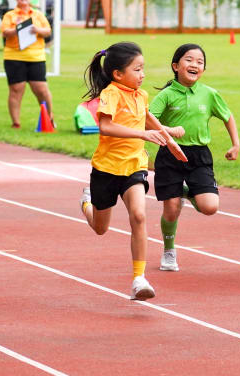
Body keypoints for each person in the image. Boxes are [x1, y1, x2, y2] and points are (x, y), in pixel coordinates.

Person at [79, 42, 187, 300]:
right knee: (100, 228)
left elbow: (147, 117)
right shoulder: (111, 93)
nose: (143, 74)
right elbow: (106, 126)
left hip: (134, 167)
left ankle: (139, 279)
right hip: (106, 169)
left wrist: (168, 138)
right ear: (118, 74)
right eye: (137, 70)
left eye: (143, 69)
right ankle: (86, 203)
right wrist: (143, 134)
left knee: (139, 216)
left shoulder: (141, 95)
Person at [149, 44, 240, 273]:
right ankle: (169, 251)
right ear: (175, 66)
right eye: (189, 60)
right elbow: (147, 121)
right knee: (171, 209)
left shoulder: (209, 94)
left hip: (199, 156)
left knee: (210, 207)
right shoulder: (166, 95)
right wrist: (169, 131)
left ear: (204, 69)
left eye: (200, 62)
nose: (194, 65)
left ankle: (185, 192)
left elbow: (227, 116)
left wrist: (235, 144)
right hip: (170, 154)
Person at [0, 0, 54, 129]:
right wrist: (18, 28)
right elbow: (5, 32)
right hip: (14, 56)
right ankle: (16, 122)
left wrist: (37, 30)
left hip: (36, 56)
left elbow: (48, 31)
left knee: (41, 89)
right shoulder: (10, 15)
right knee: (16, 89)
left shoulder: (38, 14)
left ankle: (50, 119)